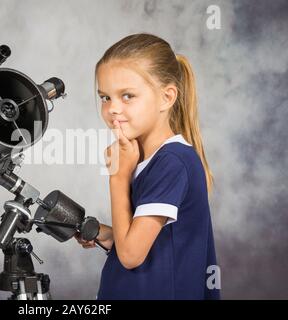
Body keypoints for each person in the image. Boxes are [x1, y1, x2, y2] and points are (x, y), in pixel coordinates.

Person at [75, 33, 220, 300]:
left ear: (166, 98)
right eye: (105, 97)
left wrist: (118, 177)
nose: (113, 109)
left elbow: (131, 256)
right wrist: (110, 235)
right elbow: (149, 241)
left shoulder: (172, 162)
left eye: (127, 96)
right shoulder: (146, 158)